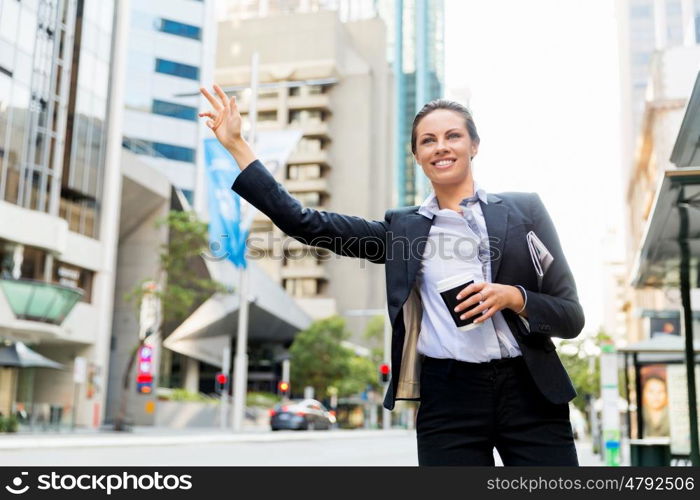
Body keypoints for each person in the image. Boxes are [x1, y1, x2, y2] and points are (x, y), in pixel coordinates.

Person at [199, 85, 585, 466]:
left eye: (453, 136)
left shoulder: (524, 211)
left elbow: (570, 315)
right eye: (428, 140)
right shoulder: (402, 231)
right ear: (417, 155)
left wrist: (514, 298)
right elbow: (307, 224)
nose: (441, 146)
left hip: (530, 389)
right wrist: (237, 146)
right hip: (449, 396)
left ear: (474, 145)